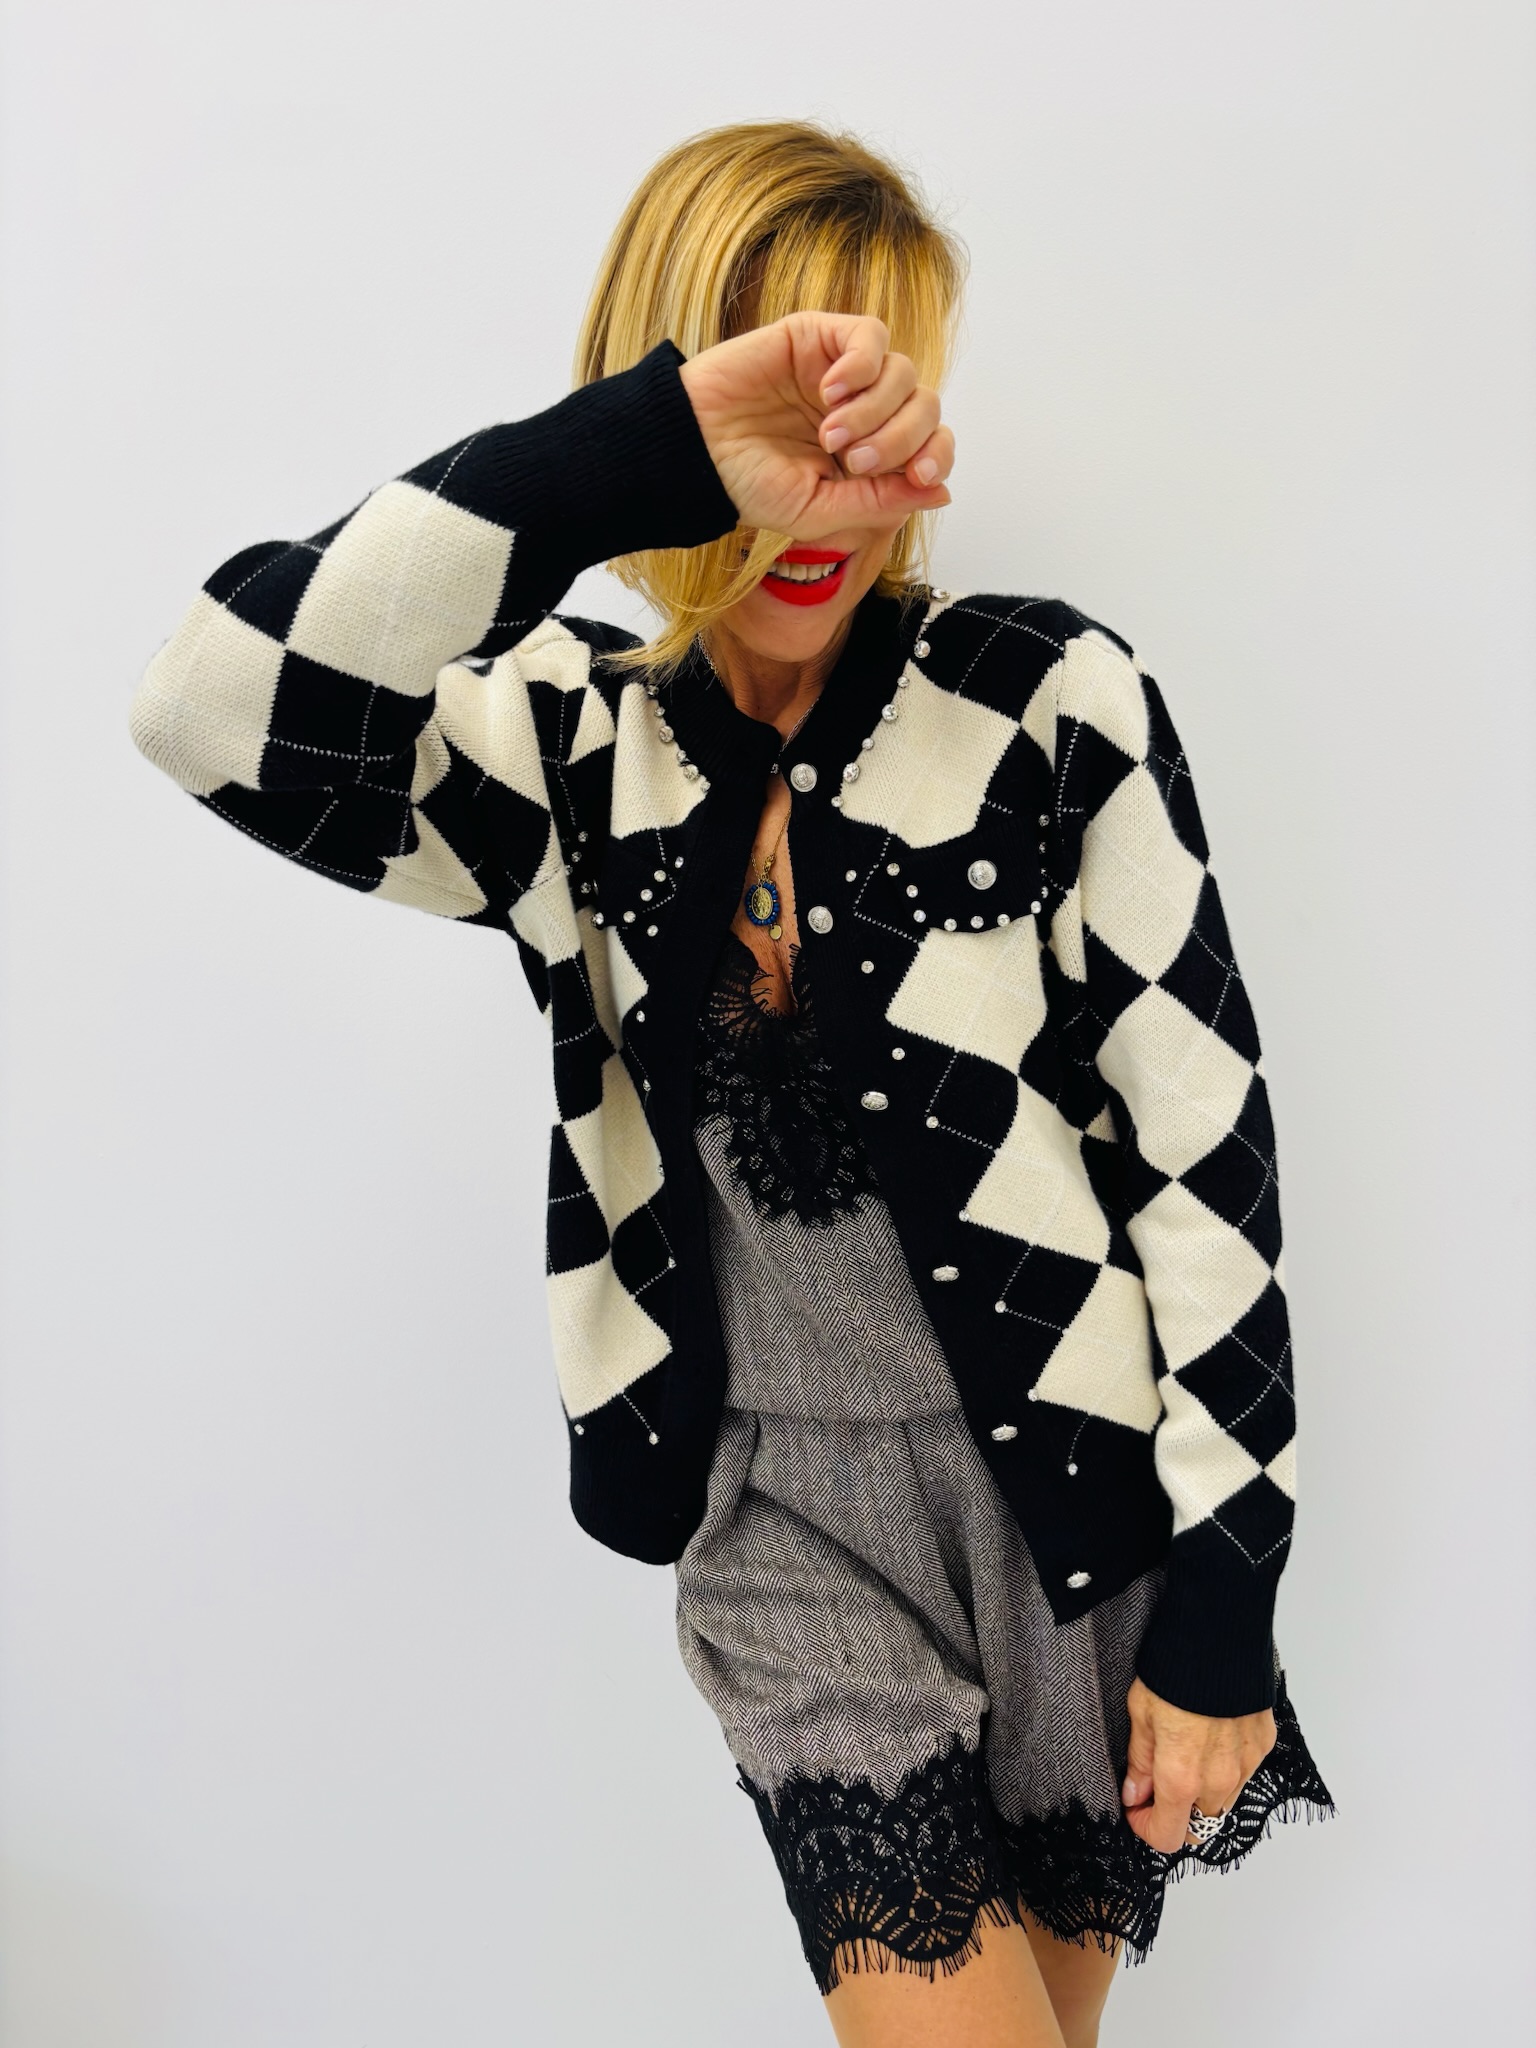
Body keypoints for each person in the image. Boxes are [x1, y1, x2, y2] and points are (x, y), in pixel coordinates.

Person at [130, 119, 1331, 2048]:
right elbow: (211, 707)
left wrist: (1227, 1601)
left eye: (879, 395)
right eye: (786, 397)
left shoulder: (1046, 698)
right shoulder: (560, 746)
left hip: (1080, 1506)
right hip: (786, 1526)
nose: (833, 483)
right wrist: (636, 461)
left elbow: (1208, 1167)